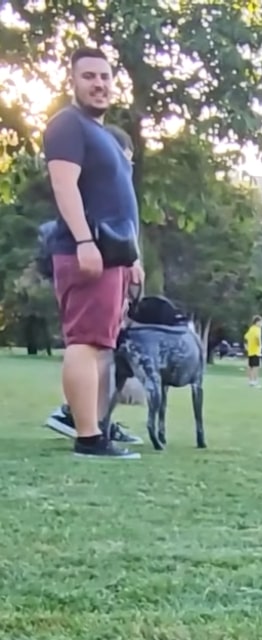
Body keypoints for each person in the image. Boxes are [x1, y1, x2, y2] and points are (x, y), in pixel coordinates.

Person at [43, 116, 142, 450]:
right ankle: (85, 431)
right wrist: (85, 242)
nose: (99, 83)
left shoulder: (100, 140)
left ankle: (96, 427)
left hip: (113, 255)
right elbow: (64, 185)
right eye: (89, 75)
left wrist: (133, 259)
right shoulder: (69, 125)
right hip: (89, 253)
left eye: (104, 75)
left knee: (101, 345)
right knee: (86, 340)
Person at [244, 315, 262, 387]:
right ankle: (255, 381)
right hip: (256, 351)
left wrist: (246, 346)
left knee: (250, 366)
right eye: (261, 322)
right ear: (257, 322)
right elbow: (257, 337)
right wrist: (260, 345)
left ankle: (250, 381)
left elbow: (246, 337)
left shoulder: (251, 329)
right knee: (256, 367)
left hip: (250, 351)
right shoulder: (257, 329)